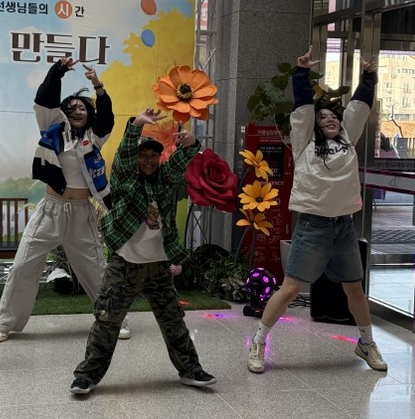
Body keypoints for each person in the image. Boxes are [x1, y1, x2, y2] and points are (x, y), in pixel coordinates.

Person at [247, 46, 387, 374]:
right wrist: (301, 74)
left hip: (344, 227)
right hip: (313, 226)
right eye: (323, 118)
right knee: (291, 288)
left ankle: (366, 343)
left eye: (333, 117)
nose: (330, 120)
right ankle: (258, 341)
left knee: (354, 288)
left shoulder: (348, 140)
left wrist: (368, 77)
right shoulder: (305, 145)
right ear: (314, 125)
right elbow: (302, 110)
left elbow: (359, 108)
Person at [70, 108, 217, 394]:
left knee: (173, 320)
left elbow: (181, 160)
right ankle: (87, 376)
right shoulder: (126, 179)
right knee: (107, 321)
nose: (148, 160)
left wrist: (192, 143)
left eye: (153, 156)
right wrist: (136, 124)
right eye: (143, 155)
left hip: (158, 266)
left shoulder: (164, 180)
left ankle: (190, 370)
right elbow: (124, 155)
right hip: (124, 264)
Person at [0, 57, 130, 342]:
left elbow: (107, 117)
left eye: (82, 107)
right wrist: (57, 71)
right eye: (71, 108)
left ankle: (113, 320)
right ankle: (5, 324)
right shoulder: (53, 130)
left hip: (81, 213)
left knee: (96, 269)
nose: (77, 111)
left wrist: (98, 87)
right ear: (63, 114)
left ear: (89, 114)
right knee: (23, 265)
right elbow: (44, 100)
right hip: (51, 211)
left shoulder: (94, 137)